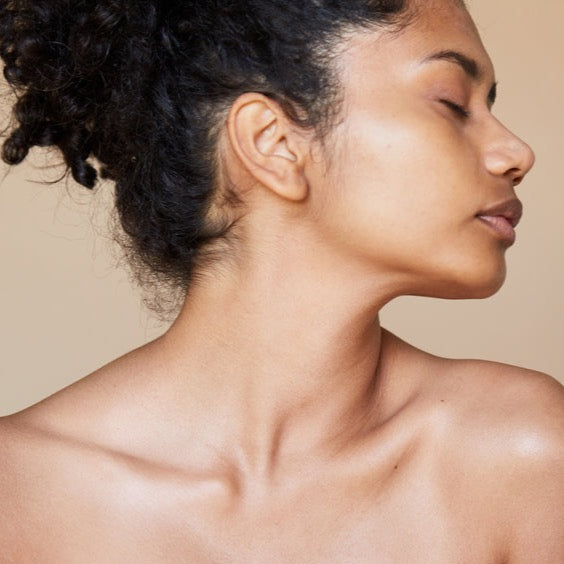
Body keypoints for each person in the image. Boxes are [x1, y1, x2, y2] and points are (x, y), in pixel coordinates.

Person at [0, 0, 562, 560]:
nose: (516, 153)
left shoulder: (527, 455)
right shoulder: (19, 497)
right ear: (273, 142)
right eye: (452, 103)